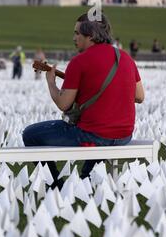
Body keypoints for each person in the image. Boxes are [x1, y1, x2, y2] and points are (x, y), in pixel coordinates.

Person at [22, 13, 144, 188]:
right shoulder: (125, 58)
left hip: (95, 135)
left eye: (77, 33)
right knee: (98, 130)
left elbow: (63, 104)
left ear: (91, 35)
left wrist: (51, 83)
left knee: (31, 135)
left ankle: (56, 185)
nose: (74, 38)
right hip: (124, 135)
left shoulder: (79, 62)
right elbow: (140, 96)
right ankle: (86, 177)